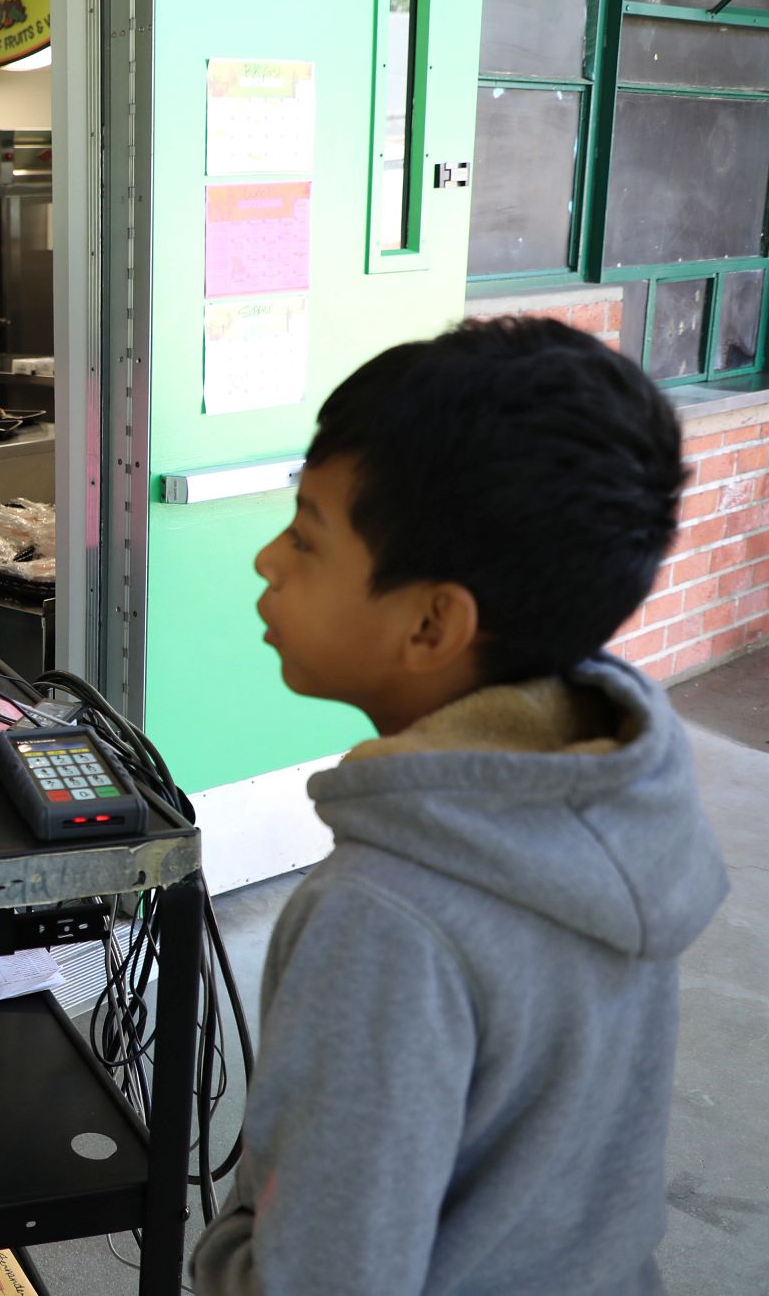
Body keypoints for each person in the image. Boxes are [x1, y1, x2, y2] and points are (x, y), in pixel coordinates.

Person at [191, 318, 729, 1294]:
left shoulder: (383, 916)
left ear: (432, 621)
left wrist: (225, 1254)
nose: (268, 559)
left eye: (307, 537)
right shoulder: (607, 798)